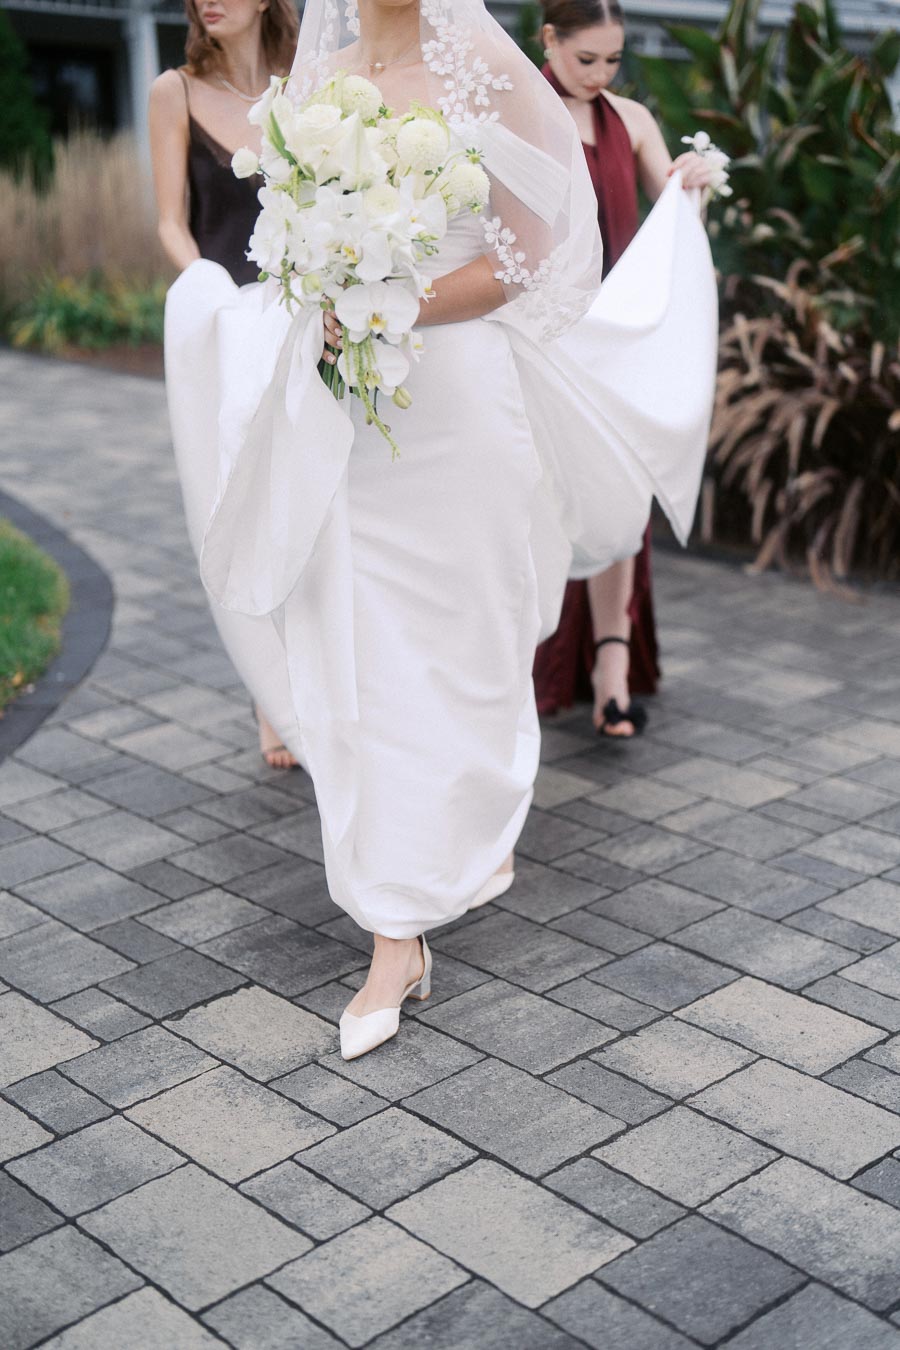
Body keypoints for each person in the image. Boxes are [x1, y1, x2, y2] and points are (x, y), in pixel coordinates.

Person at [164, 0, 717, 1060]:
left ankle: (454, 840)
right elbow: (291, 228)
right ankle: (396, 931)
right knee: (362, 653)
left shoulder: (483, 72)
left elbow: (524, 254)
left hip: (454, 402)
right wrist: (319, 283)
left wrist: (394, 302)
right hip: (347, 412)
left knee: (461, 649)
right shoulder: (316, 86)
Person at [535, 0, 717, 736]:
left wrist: (691, 183)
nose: (601, 75)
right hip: (547, 335)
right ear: (548, 40)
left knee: (619, 493)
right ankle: (530, 653)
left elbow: (670, 224)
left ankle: (612, 666)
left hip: (616, 340)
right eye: (586, 60)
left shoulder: (633, 118)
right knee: (544, 494)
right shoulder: (519, 110)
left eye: (613, 61)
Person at [148, 0, 300, 768]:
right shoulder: (171, 90)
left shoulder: (309, 82)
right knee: (246, 501)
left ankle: (316, 673)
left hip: (307, 323)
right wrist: (205, 284)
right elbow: (171, 219)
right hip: (226, 324)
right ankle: (271, 692)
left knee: (311, 500)